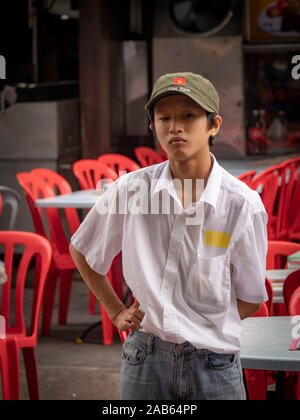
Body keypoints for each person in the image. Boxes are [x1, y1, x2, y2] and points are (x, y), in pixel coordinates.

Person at [69, 72, 268, 400]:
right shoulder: (131, 190)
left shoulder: (241, 204)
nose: (175, 126)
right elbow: (83, 249)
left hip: (214, 362)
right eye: (165, 118)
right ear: (153, 128)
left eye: (188, 116)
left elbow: (249, 296)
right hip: (145, 359)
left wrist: (196, 320)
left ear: (214, 125)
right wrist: (115, 310)